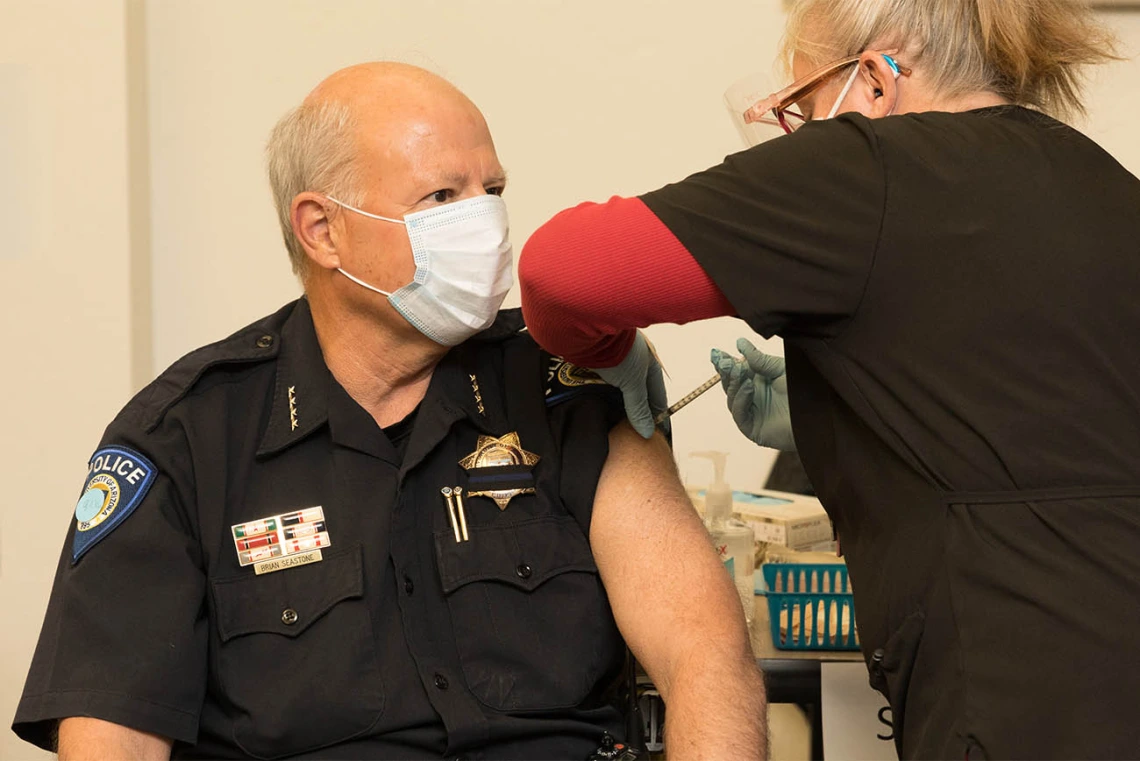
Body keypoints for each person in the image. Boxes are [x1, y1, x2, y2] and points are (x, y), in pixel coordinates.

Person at [12, 63, 766, 760]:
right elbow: (113, 736)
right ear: (322, 229)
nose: (487, 223)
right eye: (442, 198)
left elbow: (705, 652)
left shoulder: (562, 385)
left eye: (492, 191)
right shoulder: (187, 439)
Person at [518, 0, 1140, 757]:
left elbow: (562, 273)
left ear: (874, 83)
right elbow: (1024, 424)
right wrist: (839, 419)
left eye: (805, 108)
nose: (803, 136)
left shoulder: (868, 165)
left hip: (1014, 695)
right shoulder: (1102, 182)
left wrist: (616, 352)